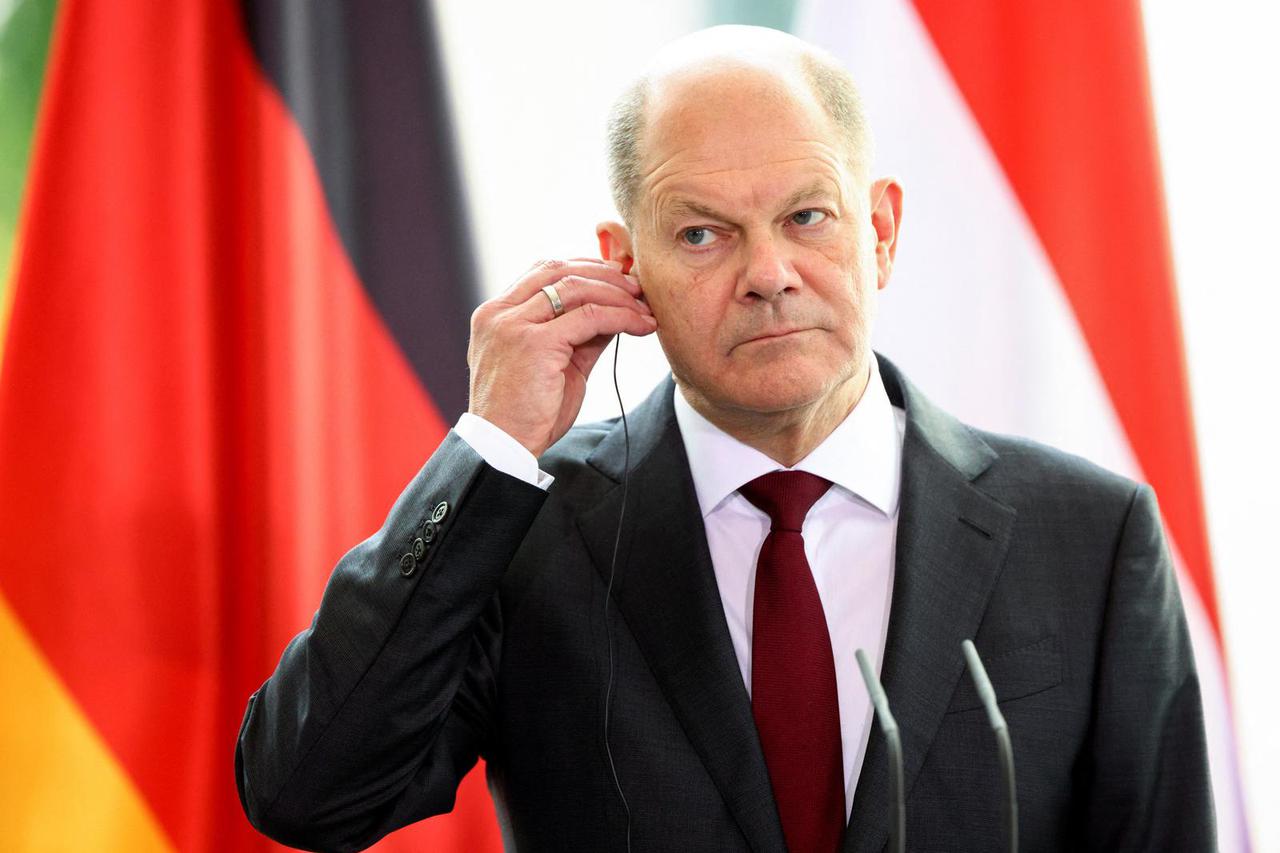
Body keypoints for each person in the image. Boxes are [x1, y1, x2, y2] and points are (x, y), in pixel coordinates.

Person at [235, 25, 1214, 852]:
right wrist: (490, 444)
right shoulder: (525, 531)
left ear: (878, 231)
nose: (768, 273)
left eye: (807, 216)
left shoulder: (1089, 536)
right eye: (702, 234)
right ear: (624, 265)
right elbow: (309, 793)